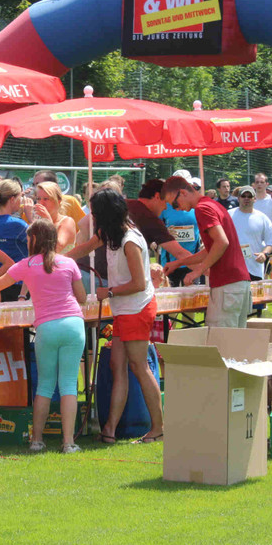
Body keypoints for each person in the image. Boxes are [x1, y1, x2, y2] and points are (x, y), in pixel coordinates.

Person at [0, 219, 86, 453]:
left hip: (47, 327)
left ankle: (36, 440)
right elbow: (82, 297)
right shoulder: (69, 263)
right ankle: (69, 442)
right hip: (74, 325)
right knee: (68, 384)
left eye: (27, 238)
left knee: (45, 385)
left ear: (34, 239)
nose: (26, 241)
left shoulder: (26, 264)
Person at [91, 188, 163, 444]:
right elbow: (84, 248)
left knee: (139, 366)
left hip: (136, 308)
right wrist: (56, 260)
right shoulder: (110, 233)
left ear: (106, 214)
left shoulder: (129, 240)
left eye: (95, 213)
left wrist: (109, 291)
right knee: (117, 365)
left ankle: (158, 429)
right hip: (124, 310)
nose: (93, 217)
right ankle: (109, 429)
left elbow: (139, 284)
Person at [161, 175, 252, 328]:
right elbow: (212, 248)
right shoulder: (211, 204)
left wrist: (197, 271)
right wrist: (179, 262)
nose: (176, 208)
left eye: (175, 204)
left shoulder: (202, 209)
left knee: (220, 339)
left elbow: (221, 242)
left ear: (183, 193)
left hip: (227, 284)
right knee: (236, 340)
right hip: (237, 284)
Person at [0, 179, 29, 301]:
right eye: (20, 196)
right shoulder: (17, 224)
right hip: (17, 283)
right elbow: (39, 242)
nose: (22, 200)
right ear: (12, 199)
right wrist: (31, 218)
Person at [229, 186, 272, 281]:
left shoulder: (262, 218)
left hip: (254, 269)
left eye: (249, 196)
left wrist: (264, 254)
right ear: (238, 198)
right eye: (243, 196)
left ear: (254, 199)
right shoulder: (228, 215)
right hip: (232, 268)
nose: (246, 198)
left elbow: (271, 242)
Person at [30, 181, 76, 252]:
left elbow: (58, 247)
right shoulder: (38, 222)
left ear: (58, 201)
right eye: (38, 199)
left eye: (46, 199)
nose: (41, 203)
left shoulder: (67, 222)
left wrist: (48, 222)